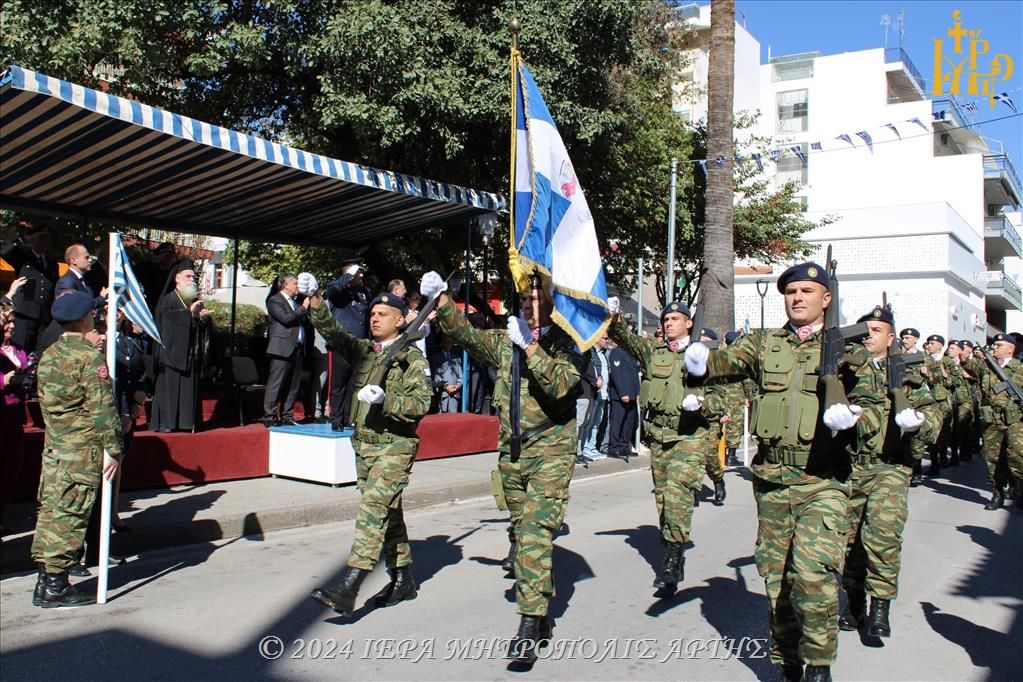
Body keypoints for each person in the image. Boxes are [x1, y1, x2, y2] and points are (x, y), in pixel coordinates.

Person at [684, 262, 872, 682]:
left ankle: (819, 665)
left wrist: (854, 418)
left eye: (808, 290)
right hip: (771, 481)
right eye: (791, 291)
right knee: (776, 577)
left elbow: (877, 409)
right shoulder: (765, 343)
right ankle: (786, 660)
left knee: (814, 576)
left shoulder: (849, 350)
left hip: (823, 479)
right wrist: (700, 360)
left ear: (826, 299)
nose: (798, 298)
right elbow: (726, 360)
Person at [421, 270, 584, 666]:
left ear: (551, 302)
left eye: (537, 299)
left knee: (533, 534)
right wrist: (442, 300)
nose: (530, 305)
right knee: (519, 530)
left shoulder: (569, 343)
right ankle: (541, 606)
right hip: (512, 454)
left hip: (550, 451)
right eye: (525, 300)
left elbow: (563, 385)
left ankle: (528, 625)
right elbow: (466, 335)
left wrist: (531, 347)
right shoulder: (507, 338)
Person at [298, 274, 432, 615]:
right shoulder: (365, 353)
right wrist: (314, 298)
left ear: (401, 321)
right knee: (389, 512)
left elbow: (421, 405)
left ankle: (350, 583)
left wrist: (387, 400)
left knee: (373, 511)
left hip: (394, 446)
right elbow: (332, 332)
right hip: (366, 445)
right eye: (372, 313)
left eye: (383, 315)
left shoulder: (411, 359)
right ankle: (403, 579)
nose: (374, 318)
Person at [607, 297, 725, 593]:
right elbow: (627, 340)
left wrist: (703, 403)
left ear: (688, 323)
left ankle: (671, 562)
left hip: (690, 436)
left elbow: (722, 400)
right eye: (666, 319)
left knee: (677, 495)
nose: (669, 323)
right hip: (659, 436)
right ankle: (674, 548)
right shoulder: (653, 352)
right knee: (663, 499)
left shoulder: (705, 356)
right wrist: (615, 318)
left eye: (675, 319)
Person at [837, 305, 940, 641]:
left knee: (881, 537)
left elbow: (935, 414)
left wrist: (920, 423)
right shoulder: (845, 371)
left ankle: (880, 608)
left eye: (877, 330)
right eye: (864, 330)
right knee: (849, 543)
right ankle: (853, 603)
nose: (869, 336)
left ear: (891, 338)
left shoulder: (908, 372)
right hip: (849, 467)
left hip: (890, 467)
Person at [30, 291, 122, 608]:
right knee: (70, 515)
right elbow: (103, 409)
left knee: (52, 513)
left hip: (55, 448)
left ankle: (46, 580)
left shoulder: (50, 355)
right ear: (84, 319)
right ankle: (55, 586)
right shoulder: (87, 358)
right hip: (81, 449)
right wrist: (114, 448)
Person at [151, 259, 212, 432]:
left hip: (190, 353)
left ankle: (186, 422)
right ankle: (167, 423)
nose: (191, 280)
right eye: (187, 276)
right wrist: (188, 314)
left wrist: (203, 320)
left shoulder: (193, 300)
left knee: (188, 391)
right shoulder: (168, 300)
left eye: (193, 277)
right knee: (169, 391)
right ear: (177, 278)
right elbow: (168, 324)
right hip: (171, 354)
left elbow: (197, 326)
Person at [975, 333, 1023, 510]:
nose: (994, 348)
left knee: (1017, 454)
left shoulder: (1019, 368)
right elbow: (968, 367)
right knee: (993, 457)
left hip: (1015, 419)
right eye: (994, 345)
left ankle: (1019, 487)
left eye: (999, 345)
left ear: (1010, 349)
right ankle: (997, 494)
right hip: (991, 419)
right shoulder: (987, 367)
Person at [324, 258, 370, 431]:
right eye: (358, 272)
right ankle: (335, 418)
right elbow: (335, 289)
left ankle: (348, 418)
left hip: (359, 345)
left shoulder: (363, 292)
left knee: (354, 383)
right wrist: (348, 276)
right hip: (342, 344)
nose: (362, 275)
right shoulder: (336, 288)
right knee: (338, 384)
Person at [1, 299, 33, 532]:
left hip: (15, 418)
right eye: (7, 321)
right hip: (1, 415)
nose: (11, 325)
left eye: (12, 321)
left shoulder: (18, 349)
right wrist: (4, 380)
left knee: (11, 471)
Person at [1, 225, 58, 352]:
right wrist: (23, 239)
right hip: (25, 313)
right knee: (21, 349)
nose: (45, 242)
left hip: (44, 315)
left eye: (47, 238)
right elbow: (4, 252)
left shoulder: (52, 262)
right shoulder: (23, 257)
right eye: (41, 237)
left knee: (39, 352)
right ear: (34, 239)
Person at [263, 273, 310, 427]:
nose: (298, 287)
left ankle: (287, 415)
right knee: (276, 383)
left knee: (293, 384)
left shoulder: (295, 302)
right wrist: (303, 308)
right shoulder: (275, 300)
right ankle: (269, 415)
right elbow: (286, 319)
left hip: (297, 348)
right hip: (281, 348)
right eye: (295, 284)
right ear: (286, 285)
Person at [697, 327, 728, 506]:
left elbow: (726, 394)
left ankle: (718, 479)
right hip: (690, 419)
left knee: (709, 454)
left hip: (710, 419)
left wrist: (724, 411)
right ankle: (689, 489)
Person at [579, 333, 610, 462]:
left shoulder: (602, 354)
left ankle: (591, 447)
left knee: (596, 422)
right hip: (593, 392)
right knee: (587, 422)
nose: (607, 341)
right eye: (605, 338)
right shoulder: (590, 353)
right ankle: (583, 448)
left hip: (602, 392)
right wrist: (595, 382)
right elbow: (588, 370)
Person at [606, 340, 639, 460]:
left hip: (632, 395)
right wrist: (622, 393)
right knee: (617, 423)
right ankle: (613, 448)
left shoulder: (631, 354)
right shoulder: (617, 352)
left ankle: (624, 447)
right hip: (621, 396)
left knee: (628, 423)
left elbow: (635, 375)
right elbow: (616, 374)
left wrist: (637, 393)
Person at [55, 243, 107, 309]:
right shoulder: (66, 282)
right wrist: (101, 299)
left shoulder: (84, 279)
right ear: (74, 260)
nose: (90, 260)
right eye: (86, 257)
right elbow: (76, 307)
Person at [429, 333, 462, 413]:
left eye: (450, 342)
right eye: (447, 342)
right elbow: (435, 376)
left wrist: (457, 386)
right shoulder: (435, 358)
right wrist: (446, 387)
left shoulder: (456, 358)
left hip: (454, 394)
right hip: (442, 394)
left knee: (454, 419)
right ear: (442, 343)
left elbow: (461, 376)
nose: (449, 344)